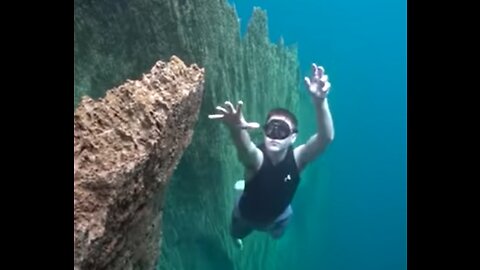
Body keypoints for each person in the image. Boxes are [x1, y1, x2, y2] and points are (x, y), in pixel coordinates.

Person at [208, 63, 335, 249]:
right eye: (271, 129)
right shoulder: (257, 159)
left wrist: (320, 101)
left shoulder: (298, 159)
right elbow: (246, 149)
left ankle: (243, 188)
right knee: (234, 233)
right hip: (245, 215)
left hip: (277, 217)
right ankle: (240, 192)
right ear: (264, 131)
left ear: (293, 137)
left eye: (282, 130)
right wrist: (236, 129)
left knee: (277, 233)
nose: (275, 135)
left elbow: (325, 138)